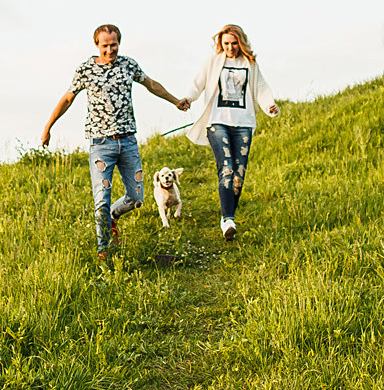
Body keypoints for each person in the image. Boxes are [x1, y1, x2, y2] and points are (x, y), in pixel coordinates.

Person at [42, 24, 190, 254]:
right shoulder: (85, 70)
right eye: (105, 46)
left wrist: (175, 101)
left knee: (136, 198)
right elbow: (67, 99)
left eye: (114, 45)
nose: (110, 50)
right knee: (102, 198)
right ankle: (104, 249)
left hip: (128, 140)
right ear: (96, 45)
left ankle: (113, 215)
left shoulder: (128, 65)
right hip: (100, 144)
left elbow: (151, 85)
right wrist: (48, 127)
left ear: (119, 43)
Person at [184, 23, 279, 241]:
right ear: (221, 43)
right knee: (226, 167)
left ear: (241, 42)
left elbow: (261, 89)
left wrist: (270, 106)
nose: (230, 48)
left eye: (234, 43)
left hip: (244, 123)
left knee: (239, 173)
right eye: (226, 43)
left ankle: (229, 216)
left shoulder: (250, 64)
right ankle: (227, 219)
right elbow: (197, 83)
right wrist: (188, 98)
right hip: (218, 122)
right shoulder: (214, 62)